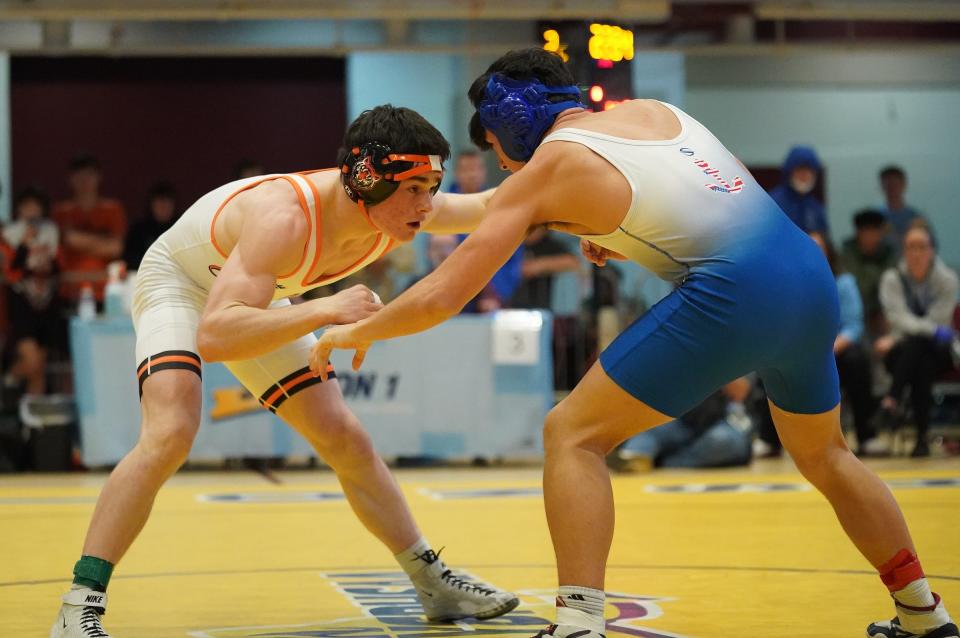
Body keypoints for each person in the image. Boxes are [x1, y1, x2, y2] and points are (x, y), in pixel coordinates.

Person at [310, 49, 956, 638]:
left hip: (737, 293)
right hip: (809, 281)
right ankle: (924, 613)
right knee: (827, 456)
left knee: (573, 434)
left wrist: (355, 327)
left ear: (511, 123)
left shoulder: (552, 165)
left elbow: (441, 295)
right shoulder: (652, 112)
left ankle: (580, 624)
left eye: (498, 146)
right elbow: (669, 198)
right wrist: (608, 232)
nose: (506, 162)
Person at [50, 105, 517, 638]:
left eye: (432, 185)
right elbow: (216, 336)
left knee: (344, 437)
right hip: (182, 284)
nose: (427, 204)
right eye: (415, 188)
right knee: (171, 431)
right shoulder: (285, 217)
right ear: (367, 179)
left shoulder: (394, 206)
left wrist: (576, 164)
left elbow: (490, 203)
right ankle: (78, 603)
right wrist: (325, 309)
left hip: (256, 294)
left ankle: (431, 581)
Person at [875, 223, 959, 458]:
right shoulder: (891, 279)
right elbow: (897, 318)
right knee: (921, 362)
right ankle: (921, 439)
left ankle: (892, 399)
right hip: (905, 353)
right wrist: (921, 330)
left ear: (932, 250)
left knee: (919, 348)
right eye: (911, 247)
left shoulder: (948, 280)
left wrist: (903, 335)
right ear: (904, 251)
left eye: (922, 246)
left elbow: (941, 323)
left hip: (939, 350)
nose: (916, 252)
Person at [2, 187, 62, 395]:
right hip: (21, 301)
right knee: (31, 359)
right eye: (26, 206)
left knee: (40, 366)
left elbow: (57, 265)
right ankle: (8, 380)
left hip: (46, 301)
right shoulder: (10, 233)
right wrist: (25, 244)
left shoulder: (51, 231)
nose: (31, 211)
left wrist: (46, 265)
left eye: (35, 206)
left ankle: (33, 421)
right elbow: (11, 269)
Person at [52, 154, 127, 307]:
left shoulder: (113, 209)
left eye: (89, 175)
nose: (84, 181)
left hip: (106, 290)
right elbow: (61, 246)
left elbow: (115, 248)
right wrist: (102, 243)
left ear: (99, 177)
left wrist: (76, 239)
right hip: (69, 290)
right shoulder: (61, 212)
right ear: (71, 179)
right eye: (79, 175)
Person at [841, 208, 898, 338]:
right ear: (859, 232)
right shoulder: (848, 252)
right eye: (867, 231)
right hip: (854, 308)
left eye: (875, 231)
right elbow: (859, 285)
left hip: (880, 308)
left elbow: (890, 284)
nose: (871, 236)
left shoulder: (888, 253)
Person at [511, 225, 580, 311]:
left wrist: (539, 265)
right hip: (512, 304)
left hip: (541, 306)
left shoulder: (549, 244)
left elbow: (573, 262)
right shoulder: (514, 244)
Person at [768, 144, 829, 235]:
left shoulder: (815, 208)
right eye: (800, 170)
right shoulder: (773, 203)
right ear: (789, 172)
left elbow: (825, 240)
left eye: (809, 171)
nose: (804, 175)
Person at [122, 181, 181, 270]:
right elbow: (129, 259)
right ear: (152, 205)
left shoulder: (180, 228)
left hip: (174, 274)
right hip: (144, 274)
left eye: (167, 203)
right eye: (160, 204)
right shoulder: (139, 230)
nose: (163, 207)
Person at [879, 165, 927, 250]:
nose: (892, 189)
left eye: (895, 184)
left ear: (904, 185)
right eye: (888, 185)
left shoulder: (916, 218)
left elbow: (931, 248)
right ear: (882, 187)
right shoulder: (874, 219)